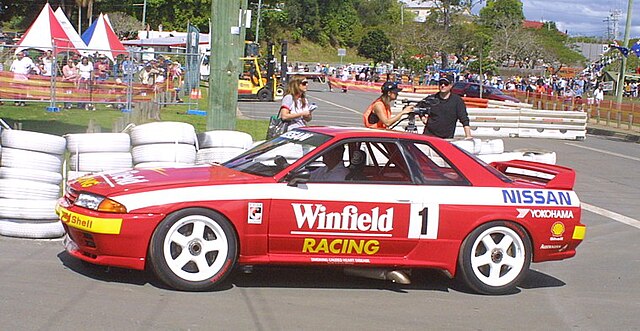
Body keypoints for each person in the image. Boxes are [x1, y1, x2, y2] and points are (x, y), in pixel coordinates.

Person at [420, 75, 472, 139]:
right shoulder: (431, 98)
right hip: (429, 137)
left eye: (446, 84)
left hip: (446, 138)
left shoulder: (457, 101)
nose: (443, 85)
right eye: (441, 83)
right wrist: (423, 118)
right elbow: (418, 107)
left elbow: (464, 119)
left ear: (451, 85)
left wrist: (468, 136)